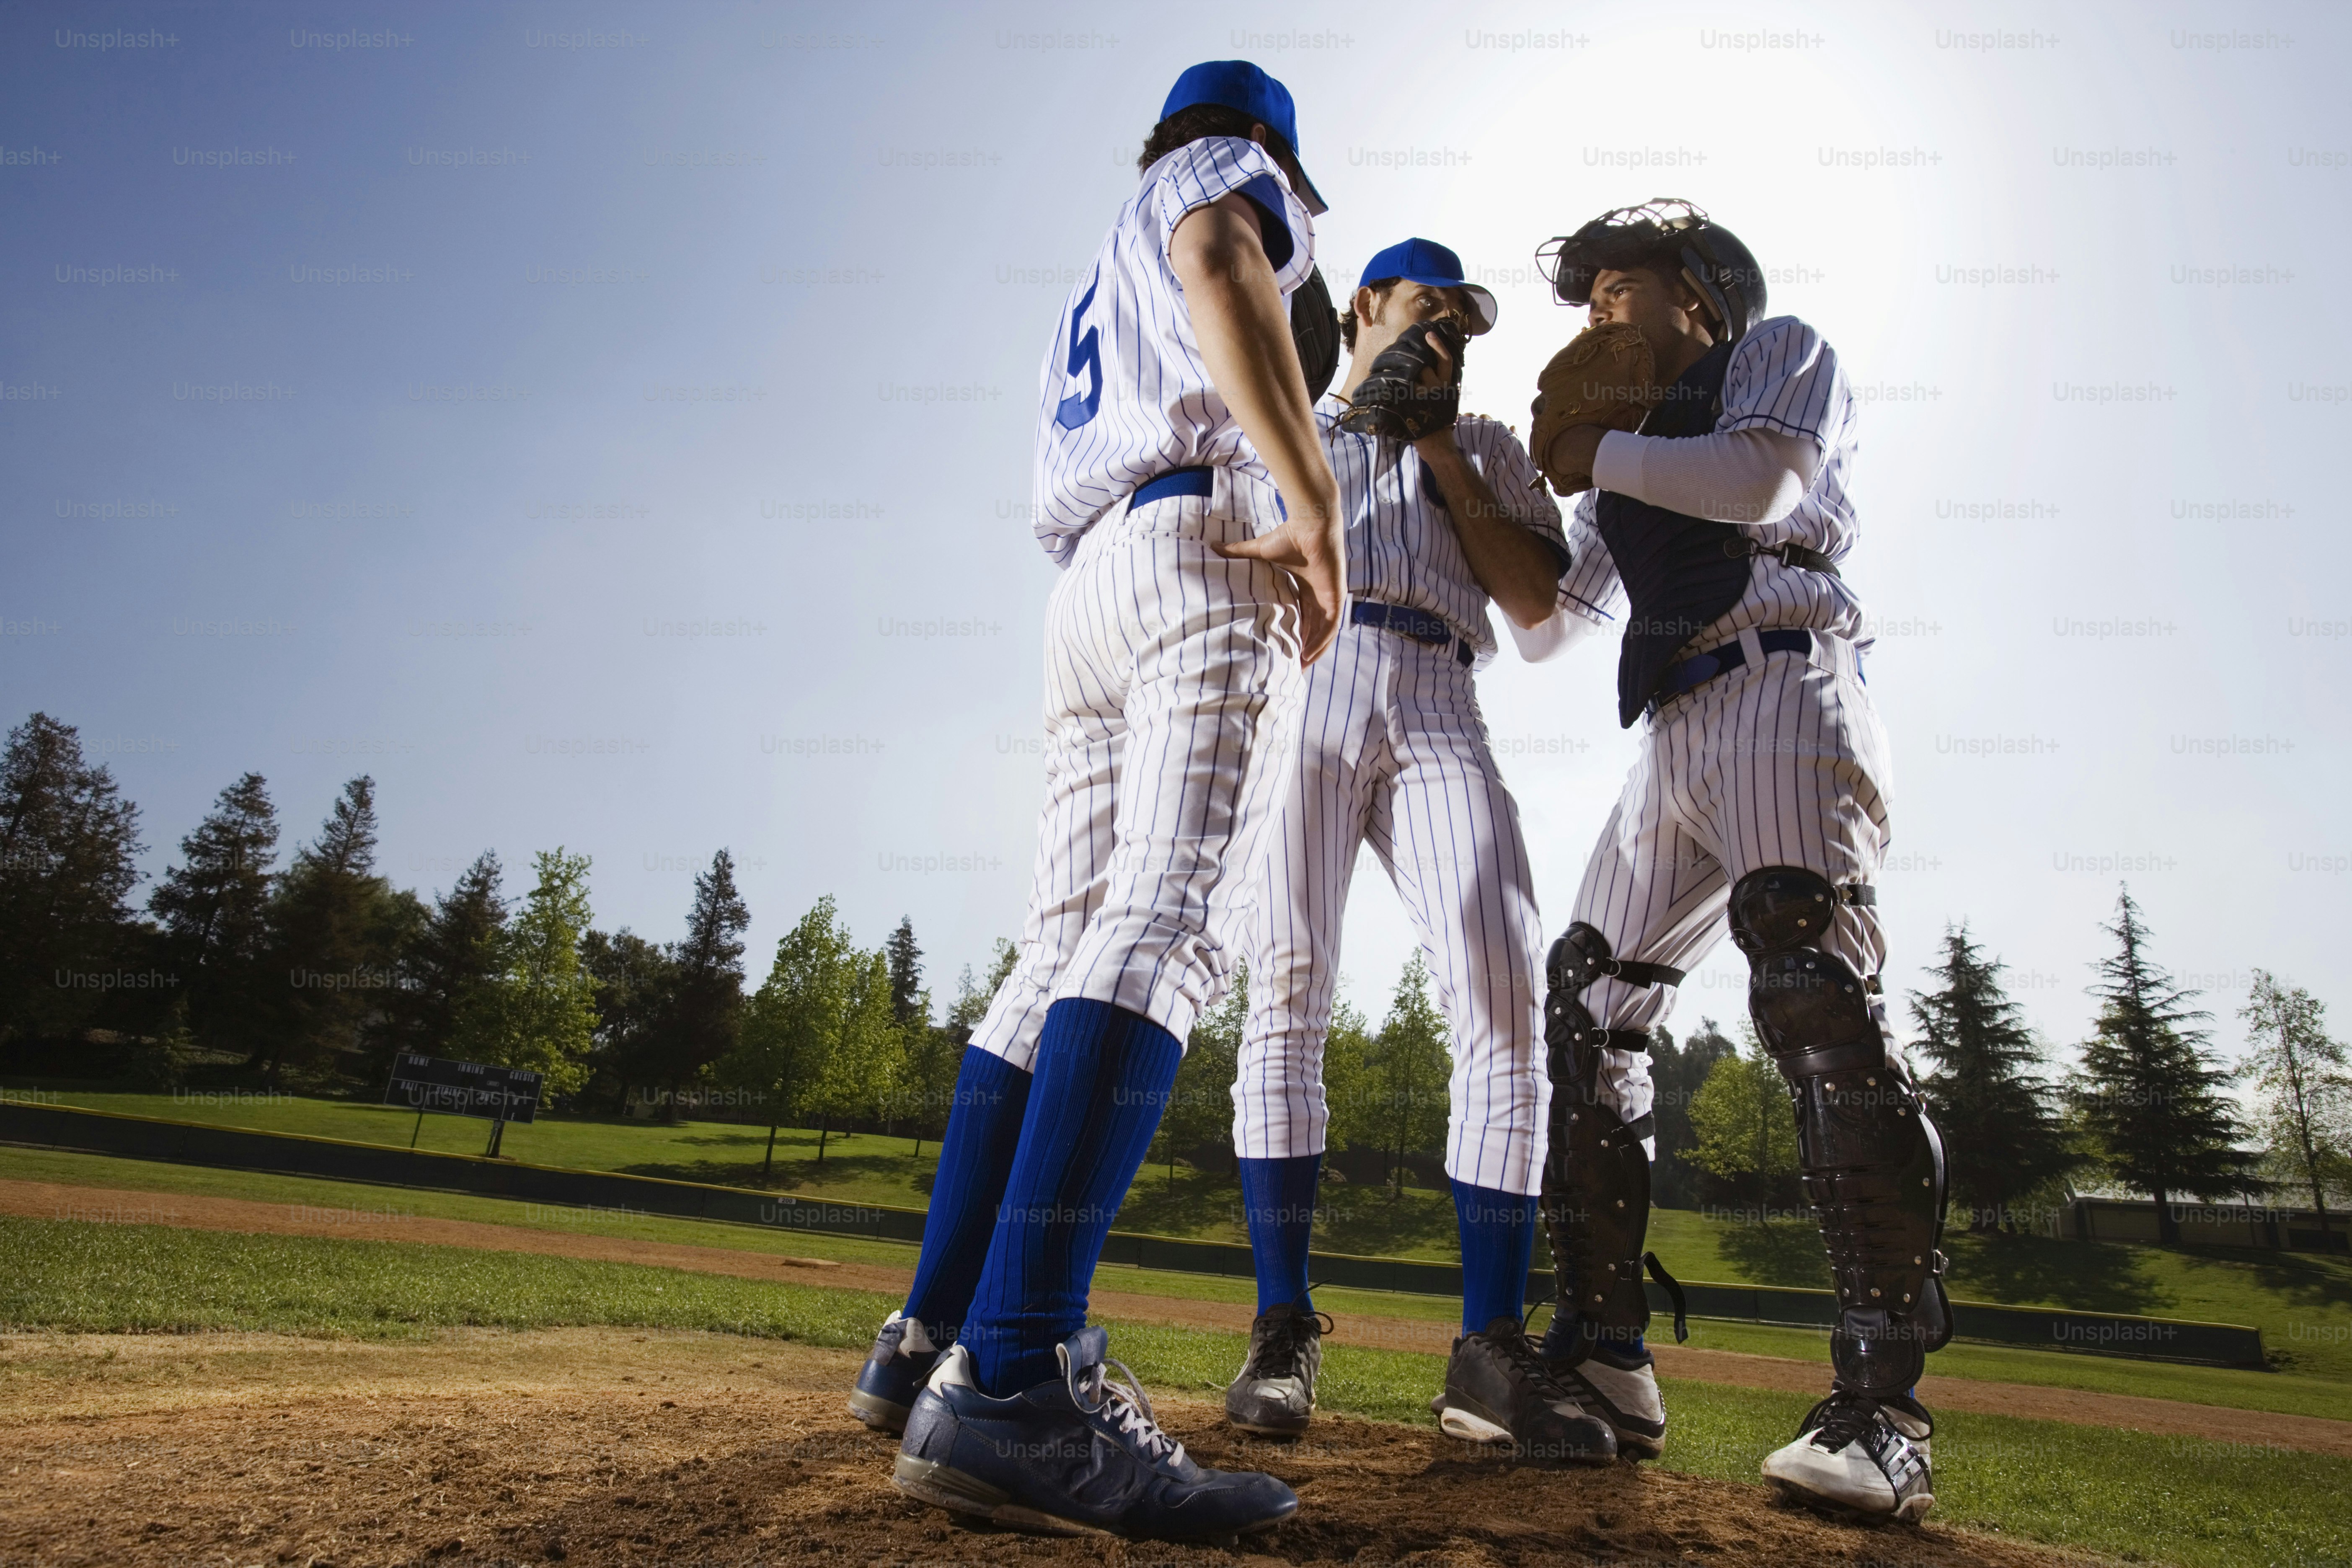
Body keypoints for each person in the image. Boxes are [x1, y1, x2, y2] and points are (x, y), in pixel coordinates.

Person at [848, 61, 1346, 1544]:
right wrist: (1309, 491)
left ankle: (928, 1343)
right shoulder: (1216, 184)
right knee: (1169, 923)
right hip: (1201, 545)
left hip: (1086, 592)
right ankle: (1015, 1375)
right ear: (1267, 149)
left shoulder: (1101, 252)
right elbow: (1222, 255)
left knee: (1060, 943)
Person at [1520, 199, 1949, 1522]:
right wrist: (1449, 463)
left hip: (1782, 682)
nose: (1596, 304)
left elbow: (1758, 482)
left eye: (1621, 283)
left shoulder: (1778, 353)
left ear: (1701, 293)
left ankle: (1885, 1413)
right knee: (1591, 1004)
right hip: (1676, 726)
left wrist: (1593, 448)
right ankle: (1605, 1366)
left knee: (1810, 992)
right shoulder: (1629, 453)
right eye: (1586, 290)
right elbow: (1546, 625)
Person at [1214, 238, 1609, 1465]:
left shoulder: (1482, 443)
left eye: (1467, 326)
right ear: (1369, 305)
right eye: (1430, 310)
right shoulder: (1276, 415)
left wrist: (1437, 441)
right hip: (1309, 686)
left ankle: (1489, 1349)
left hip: (1442, 688)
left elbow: (1542, 611)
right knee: (1285, 988)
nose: (1449, 335)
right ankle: (1283, 1327)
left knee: (1504, 985)